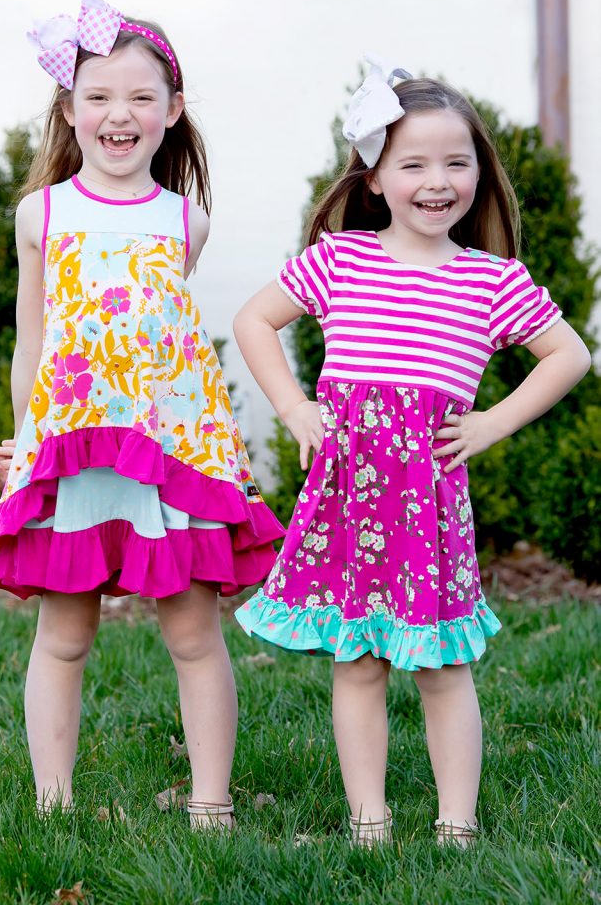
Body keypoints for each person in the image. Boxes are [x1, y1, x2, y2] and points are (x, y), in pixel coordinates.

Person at [233, 63, 590, 846]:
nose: (438, 181)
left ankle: (455, 823)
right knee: (357, 659)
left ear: (478, 173)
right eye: (414, 163)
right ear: (375, 178)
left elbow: (568, 356)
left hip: (428, 503)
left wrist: (493, 421)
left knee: (439, 665)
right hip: (350, 499)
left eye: (456, 162)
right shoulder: (339, 261)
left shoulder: (491, 281)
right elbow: (254, 321)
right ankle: (369, 819)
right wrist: (295, 408)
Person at [0, 0, 283, 826]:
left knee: (192, 636)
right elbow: (32, 343)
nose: (119, 114)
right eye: (99, 96)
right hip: (73, 450)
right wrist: (22, 444)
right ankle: (52, 805)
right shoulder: (42, 214)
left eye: (142, 97)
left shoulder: (186, 220)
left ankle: (211, 804)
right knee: (64, 636)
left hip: (166, 450)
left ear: (172, 113)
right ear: (68, 111)